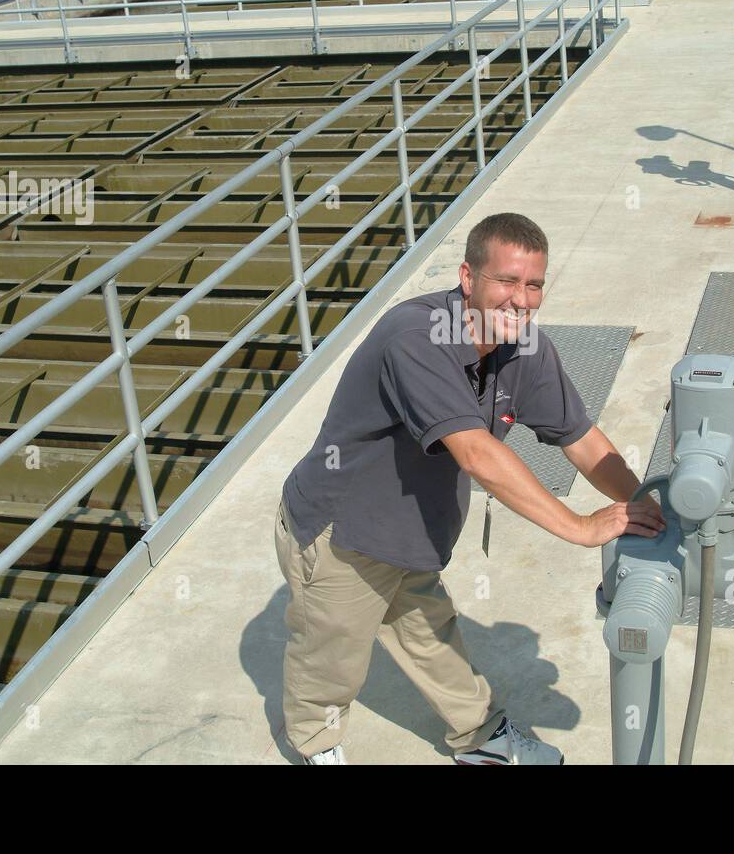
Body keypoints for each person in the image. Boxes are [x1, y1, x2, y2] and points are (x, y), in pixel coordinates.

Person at [275, 211, 664, 765]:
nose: (521, 299)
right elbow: (478, 453)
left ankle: (480, 737)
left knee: (431, 634)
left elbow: (580, 439)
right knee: (331, 657)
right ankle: (315, 744)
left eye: (533, 285)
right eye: (506, 281)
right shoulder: (414, 337)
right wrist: (579, 528)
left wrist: (637, 501)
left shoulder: (525, 347)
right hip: (344, 534)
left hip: (411, 530)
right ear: (468, 278)